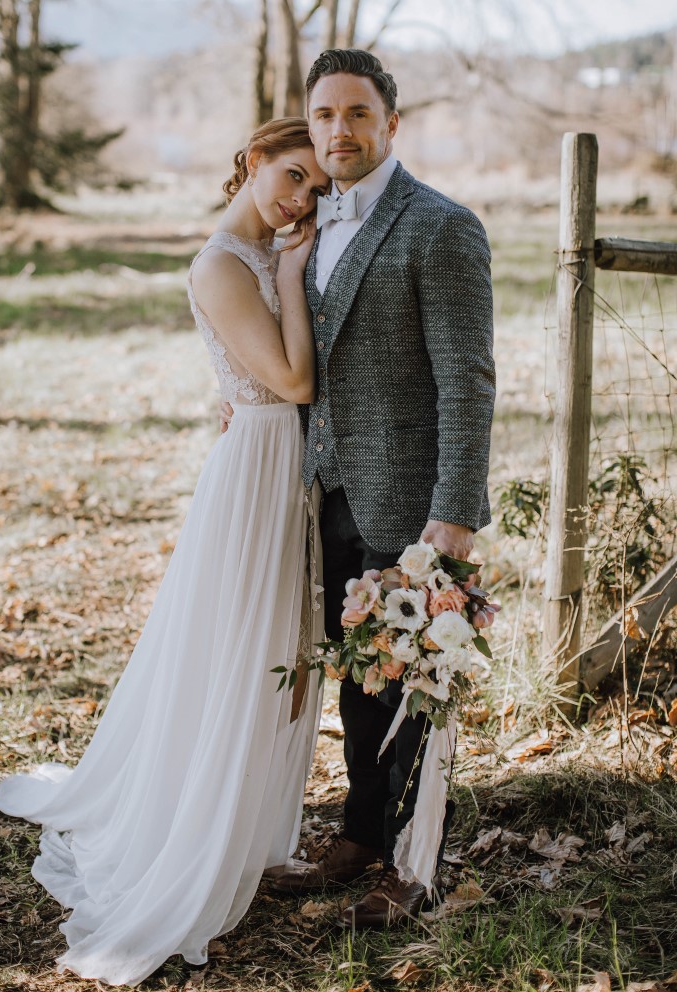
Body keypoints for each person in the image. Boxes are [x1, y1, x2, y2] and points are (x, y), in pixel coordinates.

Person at [0, 118, 331, 986]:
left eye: (317, 190)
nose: (300, 199)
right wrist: (291, 272)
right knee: (241, 654)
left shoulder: (271, 254)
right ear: (251, 162)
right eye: (291, 176)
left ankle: (252, 833)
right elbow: (289, 382)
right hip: (256, 465)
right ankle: (198, 833)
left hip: (288, 463)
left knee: (285, 653)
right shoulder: (224, 263)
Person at [271, 49, 495, 928]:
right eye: (324, 115)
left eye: (357, 114)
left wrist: (452, 511)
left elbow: (467, 379)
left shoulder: (441, 227)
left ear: (390, 124)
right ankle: (361, 835)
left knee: (409, 688)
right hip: (323, 486)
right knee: (354, 683)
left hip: (410, 498)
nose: (339, 131)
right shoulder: (307, 225)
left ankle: (410, 864)